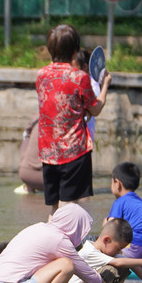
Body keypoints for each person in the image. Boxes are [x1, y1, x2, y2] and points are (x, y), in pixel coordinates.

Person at [36, 24, 111, 212]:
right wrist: (105, 85)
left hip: (48, 153)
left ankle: (51, 231)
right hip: (74, 153)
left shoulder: (41, 75)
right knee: (69, 210)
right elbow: (95, 109)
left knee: (54, 210)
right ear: (75, 50)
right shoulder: (80, 77)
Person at [15, 119, 44, 195]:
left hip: (25, 174)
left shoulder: (36, 118)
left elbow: (26, 135)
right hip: (51, 180)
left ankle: (29, 187)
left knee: (27, 137)